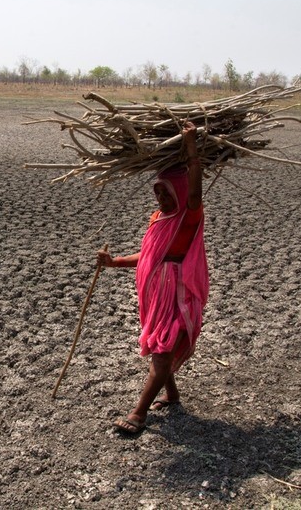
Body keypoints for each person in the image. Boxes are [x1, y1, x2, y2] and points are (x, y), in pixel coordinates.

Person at [97, 121, 209, 434]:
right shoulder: (158, 218)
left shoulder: (189, 216)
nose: (161, 197)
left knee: (161, 351)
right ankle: (171, 395)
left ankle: (138, 414)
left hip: (177, 293)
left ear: (182, 191)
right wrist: (114, 261)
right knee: (162, 343)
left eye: (168, 191)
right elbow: (148, 256)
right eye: (157, 191)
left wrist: (191, 150)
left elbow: (196, 190)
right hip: (155, 294)